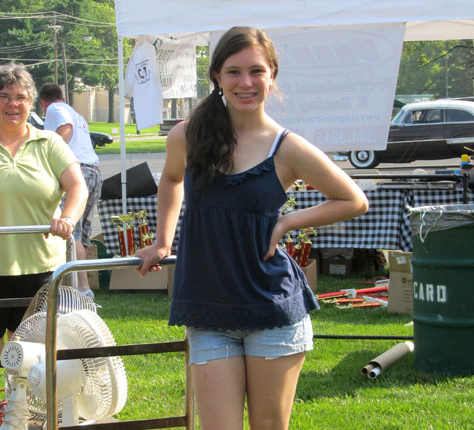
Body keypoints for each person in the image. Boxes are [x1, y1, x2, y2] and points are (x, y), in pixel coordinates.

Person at [135, 27, 369, 430]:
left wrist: (287, 222)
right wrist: (162, 240)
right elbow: (171, 181)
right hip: (208, 309)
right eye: (234, 71)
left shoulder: (288, 147)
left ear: (272, 75)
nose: (246, 82)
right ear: (217, 77)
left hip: (273, 309)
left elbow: (353, 199)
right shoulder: (188, 136)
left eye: (256, 71)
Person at [0, 63, 88, 395]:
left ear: (31, 102)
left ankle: (27, 415)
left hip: (41, 267)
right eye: (4, 97)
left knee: (34, 353)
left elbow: (77, 187)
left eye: (21, 97)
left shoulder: (50, 143)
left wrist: (67, 218)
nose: (13, 104)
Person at [39, 83, 101, 300]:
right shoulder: (78, 114)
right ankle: (81, 289)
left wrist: (47, 153)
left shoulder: (55, 109)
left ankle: (82, 291)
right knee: (82, 238)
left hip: (78, 171)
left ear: (42, 103)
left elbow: (65, 128)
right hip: (93, 171)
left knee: (68, 232)